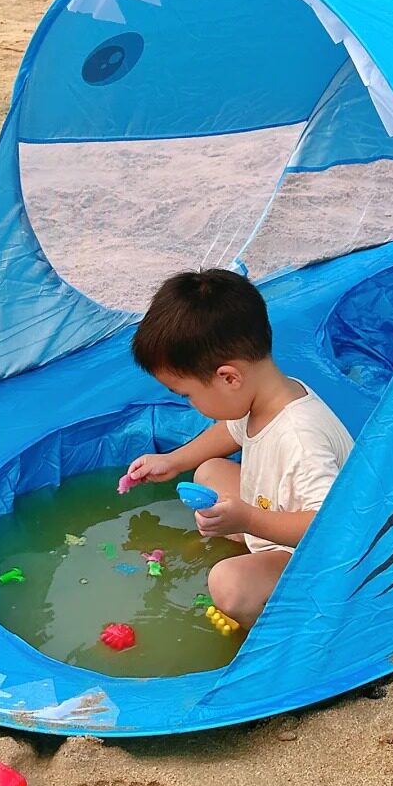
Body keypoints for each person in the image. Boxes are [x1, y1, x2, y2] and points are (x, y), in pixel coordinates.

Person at [123, 268, 353, 629]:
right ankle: (251, 542)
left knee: (229, 584)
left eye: (188, 395)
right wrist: (173, 461)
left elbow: (333, 527)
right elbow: (231, 432)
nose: (190, 404)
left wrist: (247, 520)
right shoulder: (266, 394)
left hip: (319, 556)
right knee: (209, 471)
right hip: (278, 515)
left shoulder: (299, 437)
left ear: (229, 377)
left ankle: (279, 631)